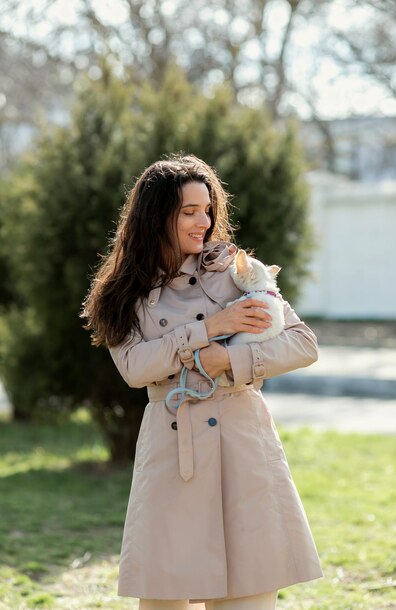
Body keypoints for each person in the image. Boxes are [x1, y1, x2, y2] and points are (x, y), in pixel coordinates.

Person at [80, 153, 323, 610]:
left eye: (207, 210)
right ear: (156, 218)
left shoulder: (237, 271)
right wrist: (208, 329)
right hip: (173, 454)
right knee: (164, 598)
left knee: (250, 594)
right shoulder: (123, 292)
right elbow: (134, 368)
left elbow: (302, 344)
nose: (204, 222)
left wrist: (229, 358)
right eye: (189, 212)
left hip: (243, 448)